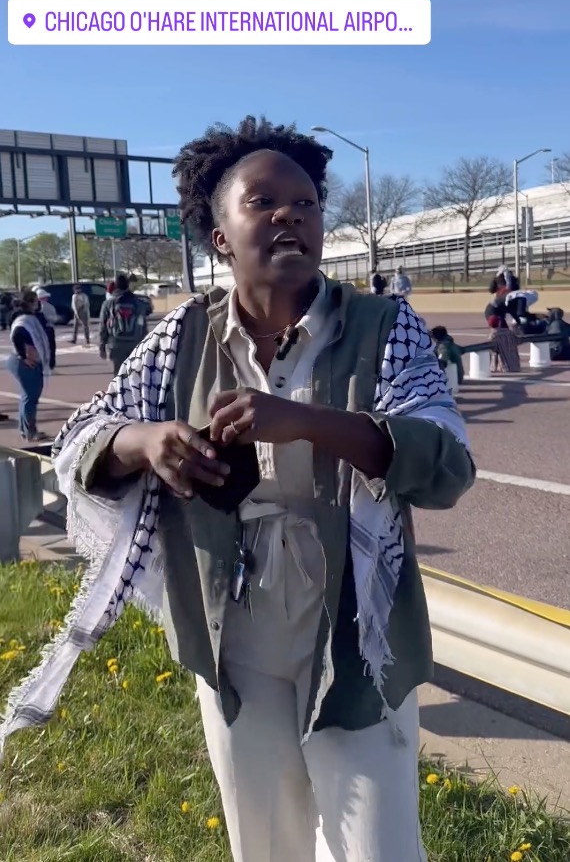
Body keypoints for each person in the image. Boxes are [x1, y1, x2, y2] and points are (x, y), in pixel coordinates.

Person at [0, 116, 475, 861]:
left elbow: (446, 460)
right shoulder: (181, 334)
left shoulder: (385, 326)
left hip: (354, 632)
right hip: (232, 631)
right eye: (263, 202)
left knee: (379, 846)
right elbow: (84, 438)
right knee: (266, 841)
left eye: (307, 203)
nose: (291, 213)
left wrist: (309, 421)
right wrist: (147, 441)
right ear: (218, 235)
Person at [7, 290, 50, 441]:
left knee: (28, 397)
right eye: (35, 301)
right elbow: (17, 335)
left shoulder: (31, 317)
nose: (38, 303)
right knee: (30, 397)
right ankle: (30, 431)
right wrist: (23, 356)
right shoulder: (24, 319)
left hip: (26, 361)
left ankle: (25, 429)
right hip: (23, 363)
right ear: (30, 302)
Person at [99, 273, 148, 375]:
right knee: (135, 374)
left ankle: (119, 390)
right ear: (127, 285)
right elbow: (143, 324)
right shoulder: (138, 302)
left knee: (118, 374)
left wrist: (102, 345)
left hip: (116, 343)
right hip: (135, 342)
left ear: (115, 286)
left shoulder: (108, 303)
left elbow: (103, 325)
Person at [36, 288, 58, 370]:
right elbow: (55, 319)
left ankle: (41, 363)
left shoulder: (35, 309)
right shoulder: (49, 307)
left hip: (38, 330)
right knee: (51, 347)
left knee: (41, 347)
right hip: (48, 329)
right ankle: (50, 364)